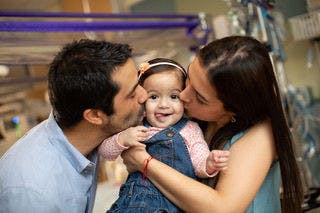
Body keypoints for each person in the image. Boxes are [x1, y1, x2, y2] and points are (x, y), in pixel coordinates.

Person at [121, 36, 304, 213]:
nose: (184, 96)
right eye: (189, 78)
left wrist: (144, 162)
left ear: (234, 110)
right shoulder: (192, 122)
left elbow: (222, 208)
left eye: (200, 98)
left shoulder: (261, 134)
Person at [0, 39, 147, 213]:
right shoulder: (35, 193)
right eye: (132, 94)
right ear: (94, 115)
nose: (144, 95)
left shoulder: (84, 142)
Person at [98, 58, 230, 212]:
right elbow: (105, 153)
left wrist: (210, 163)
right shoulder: (136, 127)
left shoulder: (189, 129)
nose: (163, 105)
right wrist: (122, 139)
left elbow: (199, 161)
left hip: (175, 204)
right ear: (141, 98)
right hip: (134, 203)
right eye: (153, 97)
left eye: (174, 97)